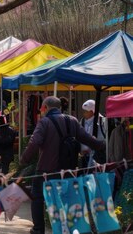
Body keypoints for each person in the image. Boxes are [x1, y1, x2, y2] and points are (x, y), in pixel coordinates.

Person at [20, 96, 105, 234]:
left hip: (46, 170)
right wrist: (101, 146)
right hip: (69, 170)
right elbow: (86, 138)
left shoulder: (44, 122)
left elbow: (34, 142)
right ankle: (70, 229)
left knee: (37, 197)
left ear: (45, 108)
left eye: (41, 108)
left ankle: (38, 230)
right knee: (67, 199)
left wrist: (24, 159)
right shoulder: (72, 120)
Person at [80, 99, 106, 166]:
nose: (84, 113)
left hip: (98, 157)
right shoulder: (82, 121)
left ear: (92, 111)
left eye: (86, 111)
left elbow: (105, 138)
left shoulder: (102, 121)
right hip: (85, 157)